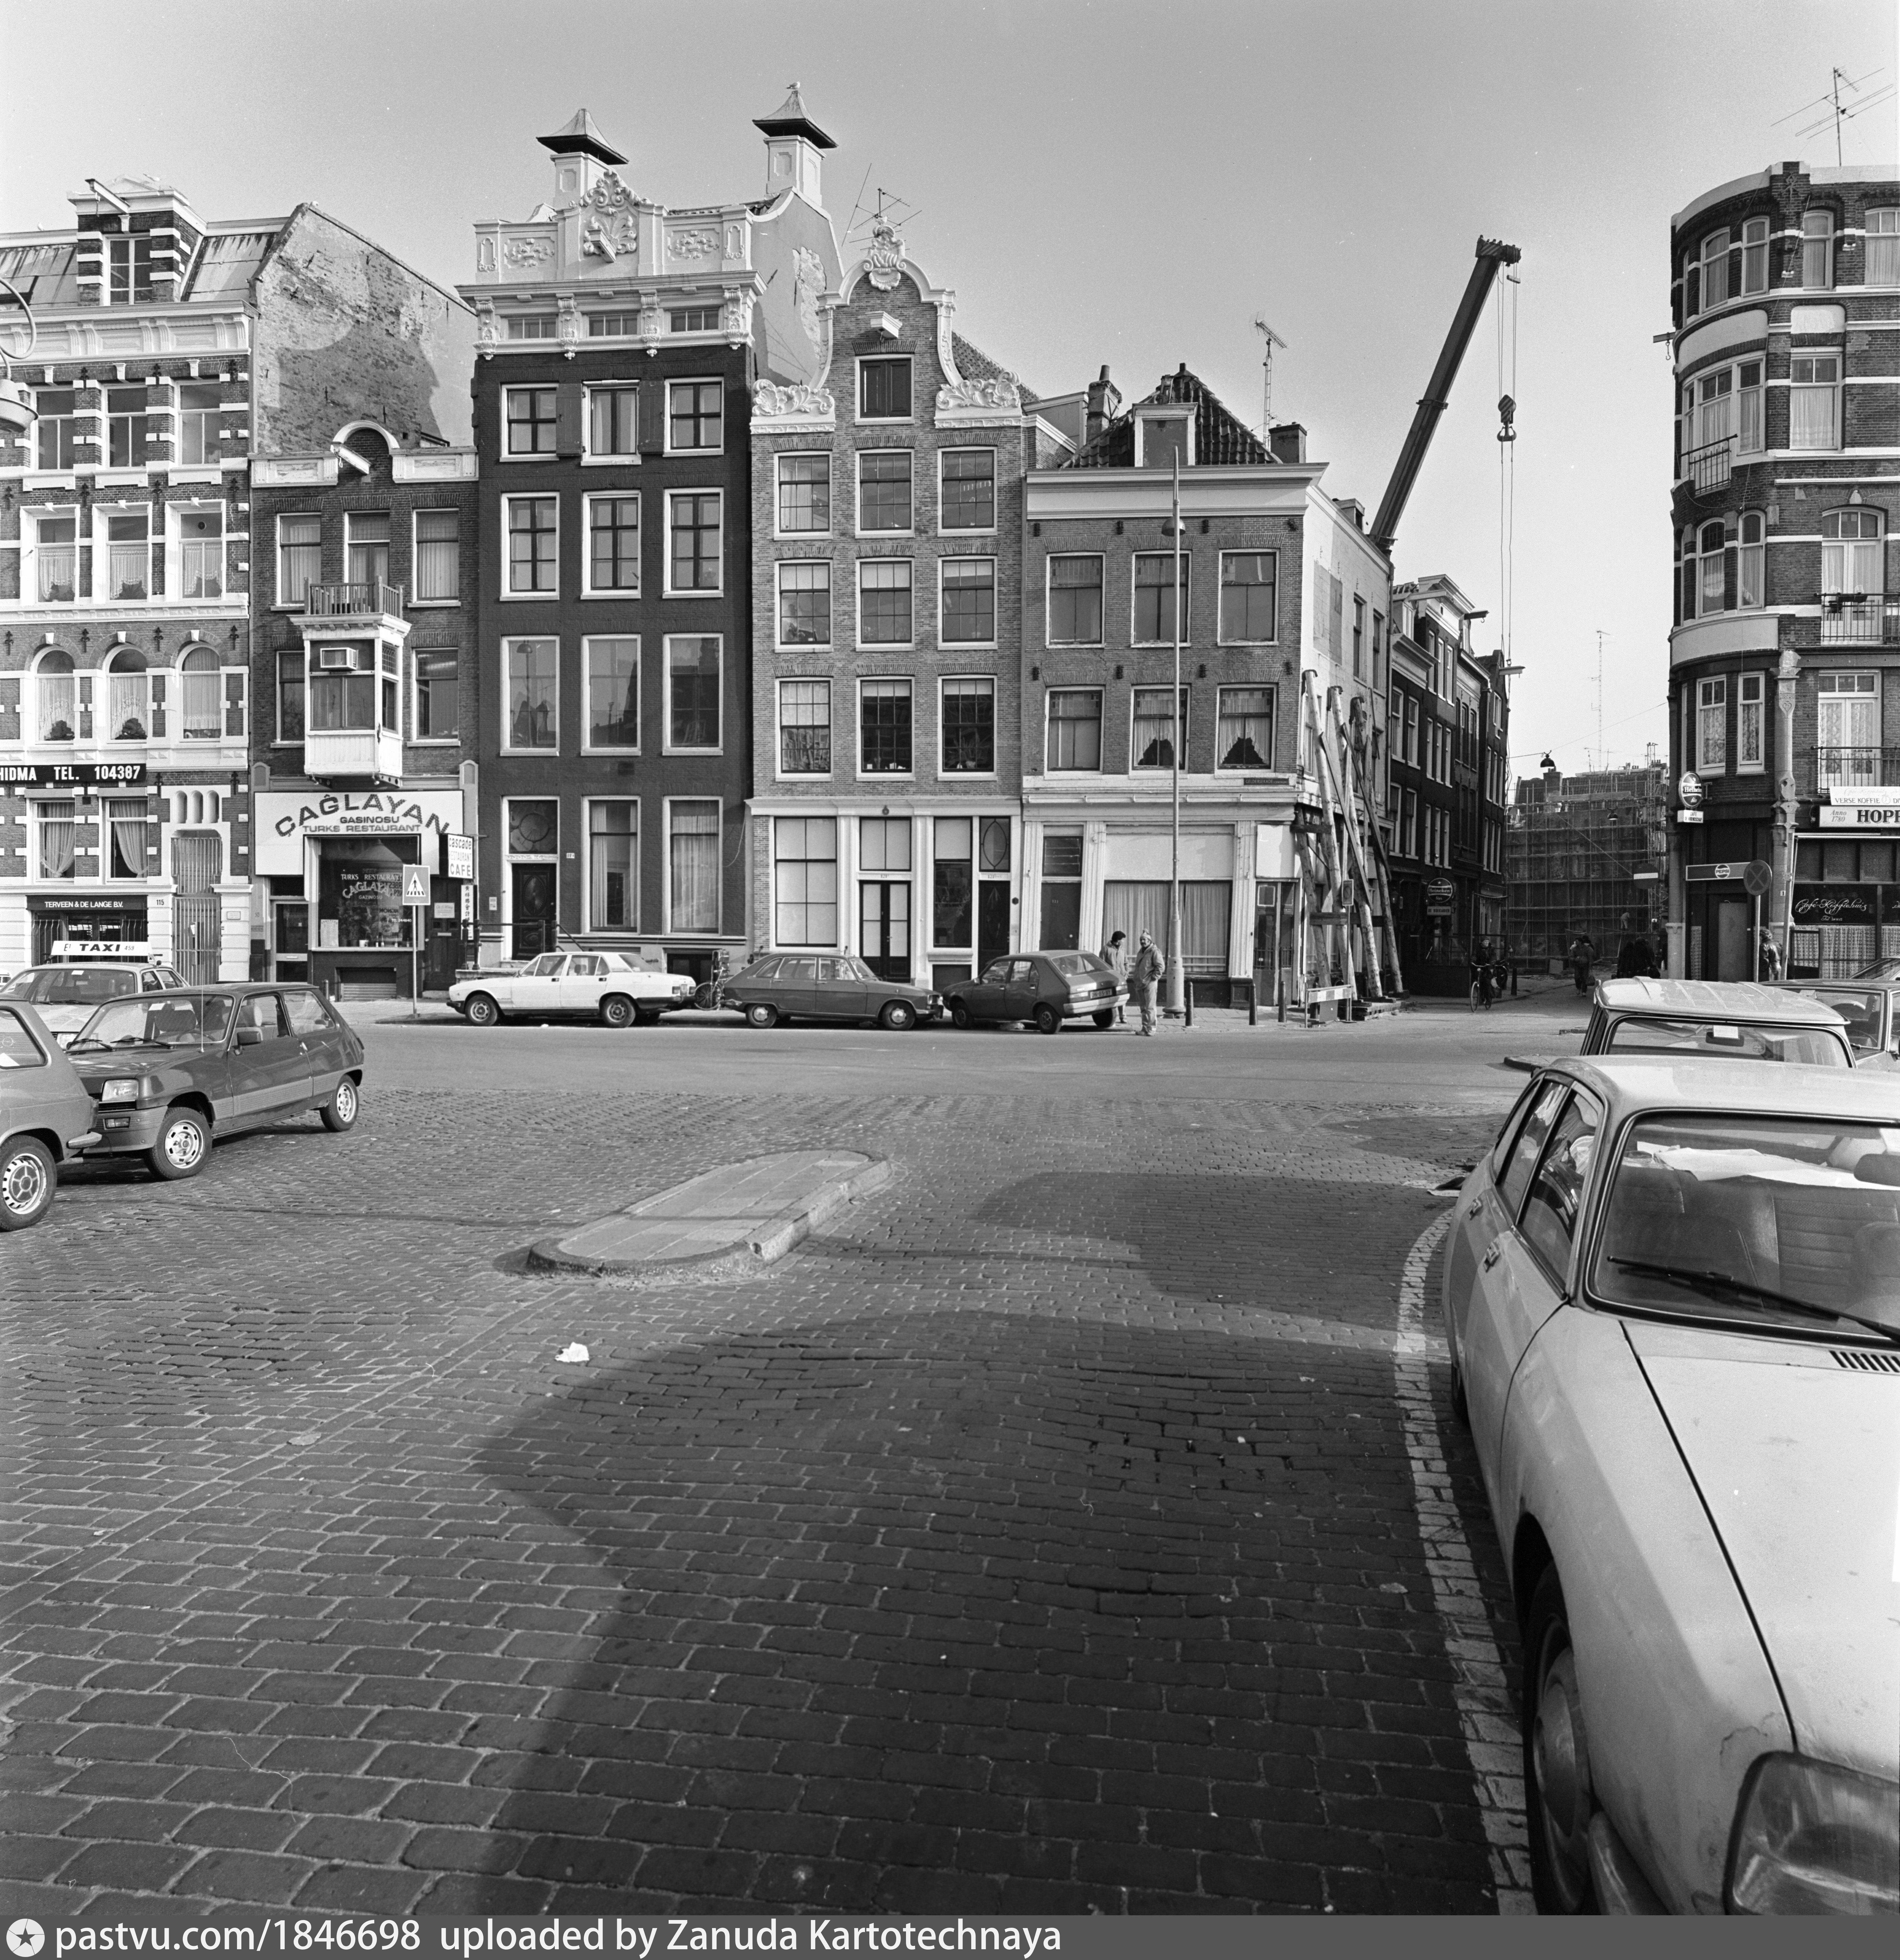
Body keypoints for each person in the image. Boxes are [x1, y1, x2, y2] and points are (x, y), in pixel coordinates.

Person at [1129, 930, 1165, 1036]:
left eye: (1144, 940)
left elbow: (1161, 967)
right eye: (1141, 940)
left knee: (1150, 1007)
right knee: (1143, 1008)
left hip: (1150, 983)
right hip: (1140, 983)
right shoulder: (1141, 952)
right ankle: (1145, 1028)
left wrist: (1154, 978)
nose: (1142, 942)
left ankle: (1152, 1028)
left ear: (1149, 941)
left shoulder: (1155, 951)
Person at [1098, 929, 1130, 1025]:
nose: (1123, 942)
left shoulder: (1123, 950)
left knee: (1122, 997)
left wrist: (1126, 974)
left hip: (1122, 978)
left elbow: (1126, 963)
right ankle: (1113, 1018)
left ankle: (1123, 1017)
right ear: (1118, 940)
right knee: (1112, 999)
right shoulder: (1106, 949)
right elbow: (1101, 965)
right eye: (1122, 940)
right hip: (1111, 979)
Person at [1568, 932, 1596, 996]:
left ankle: (1584, 991)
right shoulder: (1575, 949)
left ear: (1580, 942)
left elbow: (1590, 957)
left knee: (1585, 978)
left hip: (1585, 966)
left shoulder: (1587, 949)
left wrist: (1590, 966)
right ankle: (1578, 988)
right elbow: (1571, 957)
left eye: (1577, 941)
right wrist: (1575, 959)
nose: (1576, 943)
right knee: (1577, 977)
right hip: (1578, 966)